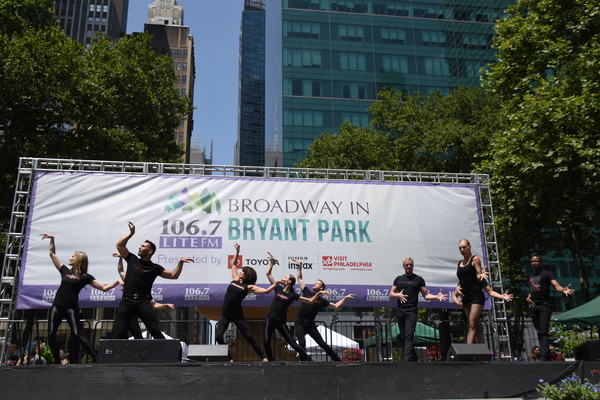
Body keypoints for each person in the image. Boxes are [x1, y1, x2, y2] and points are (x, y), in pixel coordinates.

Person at [41, 233, 121, 364]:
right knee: (50, 334)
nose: (70, 258)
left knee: (77, 333)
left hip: (71, 307)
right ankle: (56, 361)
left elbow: (103, 288)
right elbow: (52, 254)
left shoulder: (85, 277)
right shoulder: (65, 271)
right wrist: (52, 239)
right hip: (57, 305)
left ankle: (96, 358)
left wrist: (117, 282)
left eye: (73, 256)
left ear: (78, 259)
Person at [112, 222, 193, 339]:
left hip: (143, 301)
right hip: (127, 301)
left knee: (154, 329)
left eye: (143, 246)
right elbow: (119, 245)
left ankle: (166, 355)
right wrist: (131, 233)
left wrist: (180, 263)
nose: (140, 247)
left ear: (150, 252)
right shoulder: (132, 259)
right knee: (119, 331)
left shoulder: (155, 268)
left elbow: (174, 275)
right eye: (140, 246)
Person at [215, 243, 277, 362]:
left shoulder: (248, 287)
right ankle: (229, 359)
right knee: (218, 337)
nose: (240, 272)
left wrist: (276, 283)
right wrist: (237, 251)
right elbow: (233, 264)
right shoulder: (235, 279)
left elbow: (266, 291)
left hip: (237, 315)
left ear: (246, 274)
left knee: (248, 336)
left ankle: (263, 357)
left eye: (242, 271)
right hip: (225, 314)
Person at [263, 253, 324, 361]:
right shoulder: (278, 288)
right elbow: (268, 274)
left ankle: (306, 358)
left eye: (286, 277)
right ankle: (271, 362)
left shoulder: (293, 295)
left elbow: (310, 301)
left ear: (290, 281)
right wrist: (272, 262)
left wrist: (318, 294)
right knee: (266, 341)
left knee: (293, 343)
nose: (283, 278)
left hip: (280, 322)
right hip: (270, 318)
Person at [294, 259, 355, 362]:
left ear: (321, 287)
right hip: (299, 321)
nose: (315, 284)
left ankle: (337, 360)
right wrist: (299, 267)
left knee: (322, 343)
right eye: (315, 282)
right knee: (301, 343)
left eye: (317, 283)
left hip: (310, 324)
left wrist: (345, 298)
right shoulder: (307, 292)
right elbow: (299, 278)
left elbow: (335, 306)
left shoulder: (322, 301)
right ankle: (304, 361)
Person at [455, 239, 513, 344]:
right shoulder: (459, 263)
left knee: (472, 322)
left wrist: (502, 296)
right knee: (475, 325)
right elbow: (462, 280)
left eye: (464, 247)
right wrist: (458, 290)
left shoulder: (475, 259)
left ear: (469, 247)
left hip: (476, 296)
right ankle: (482, 351)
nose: (462, 250)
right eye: (460, 248)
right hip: (466, 297)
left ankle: (469, 350)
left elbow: (482, 280)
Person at [390, 257, 448, 361]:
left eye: (410, 265)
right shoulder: (398, 279)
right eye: (407, 265)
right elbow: (391, 294)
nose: (409, 267)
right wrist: (398, 295)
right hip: (400, 309)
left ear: (413, 266)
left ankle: (407, 359)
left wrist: (436, 297)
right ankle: (414, 358)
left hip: (411, 310)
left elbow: (426, 295)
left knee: (409, 334)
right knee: (403, 336)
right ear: (403, 266)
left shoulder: (418, 279)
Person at [113, 253, 175, 339]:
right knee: (120, 330)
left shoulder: (143, 292)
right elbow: (121, 270)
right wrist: (120, 258)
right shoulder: (128, 279)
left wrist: (166, 305)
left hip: (134, 313)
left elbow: (154, 304)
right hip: (127, 310)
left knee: (139, 333)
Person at [526, 255, 574, 361]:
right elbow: (534, 289)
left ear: (541, 262)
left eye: (536, 261)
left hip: (544, 305)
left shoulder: (547, 273)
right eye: (532, 261)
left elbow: (556, 285)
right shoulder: (531, 276)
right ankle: (544, 353)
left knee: (543, 330)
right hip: (534, 306)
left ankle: (544, 356)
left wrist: (563, 290)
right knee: (539, 331)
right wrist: (529, 296)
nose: (534, 263)